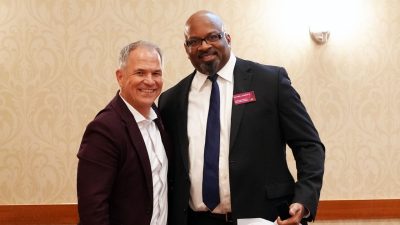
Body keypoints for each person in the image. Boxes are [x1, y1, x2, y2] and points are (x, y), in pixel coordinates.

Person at [158, 10, 325, 225]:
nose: (205, 46)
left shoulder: (270, 82)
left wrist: (304, 199)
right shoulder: (171, 100)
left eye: (213, 36)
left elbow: (309, 145)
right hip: (195, 219)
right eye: (194, 41)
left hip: (265, 217)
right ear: (186, 48)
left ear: (228, 38)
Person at [77, 41, 170, 225]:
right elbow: (93, 209)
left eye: (156, 73)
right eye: (140, 73)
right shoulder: (104, 129)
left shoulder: (159, 118)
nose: (150, 81)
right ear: (120, 76)